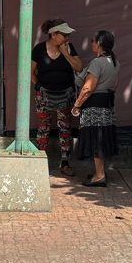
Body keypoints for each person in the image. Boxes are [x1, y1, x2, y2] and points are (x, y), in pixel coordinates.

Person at [32, 19, 84, 175]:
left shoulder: (69, 48)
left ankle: (65, 163)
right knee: (43, 128)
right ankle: (40, 164)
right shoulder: (39, 49)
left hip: (65, 93)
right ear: (53, 34)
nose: (67, 38)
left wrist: (65, 53)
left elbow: (79, 67)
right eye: (64, 34)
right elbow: (30, 71)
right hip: (44, 94)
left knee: (65, 128)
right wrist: (38, 86)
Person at [71, 30, 119, 187]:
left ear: (99, 43)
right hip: (106, 103)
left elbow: (87, 88)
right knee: (102, 137)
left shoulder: (97, 63)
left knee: (96, 139)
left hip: (95, 104)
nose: (91, 43)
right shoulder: (114, 62)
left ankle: (99, 176)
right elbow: (114, 85)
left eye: (93, 40)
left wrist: (77, 105)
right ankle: (101, 172)